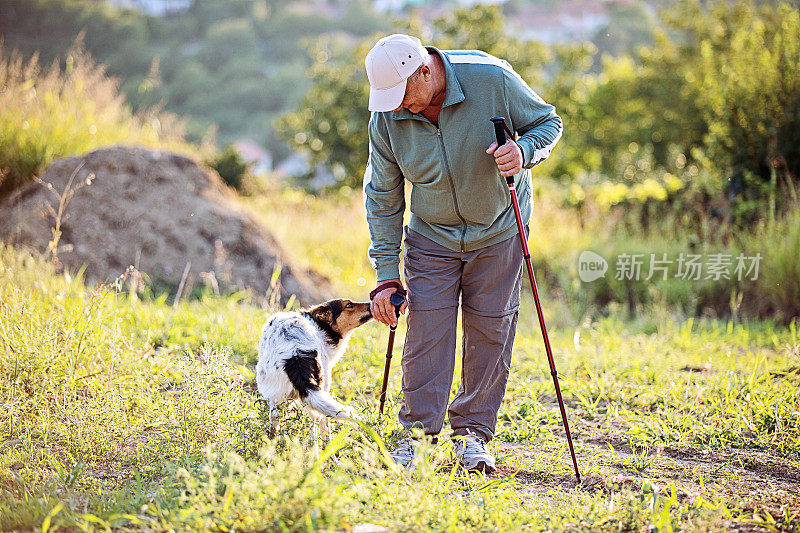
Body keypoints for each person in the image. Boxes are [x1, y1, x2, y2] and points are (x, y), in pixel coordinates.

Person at [363, 34, 562, 473]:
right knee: (426, 332)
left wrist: (524, 151)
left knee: (491, 331)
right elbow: (383, 197)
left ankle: (472, 436)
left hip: (499, 230)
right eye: (389, 100)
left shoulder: (491, 79)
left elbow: (549, 123)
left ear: (426, 71)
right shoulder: (387, 119)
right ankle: (416, 437)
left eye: (403, 95)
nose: (398, 107)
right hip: (431, 237)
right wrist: (385, 274)